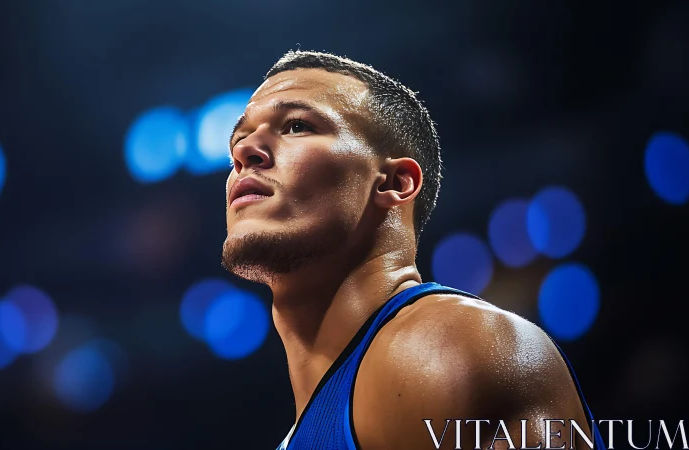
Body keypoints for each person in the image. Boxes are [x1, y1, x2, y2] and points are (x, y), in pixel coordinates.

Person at [221, 50, 604, 450]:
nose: (245, 152)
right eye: (239, 139)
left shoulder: (448, 350)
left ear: (395, 183)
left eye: (298, 125)